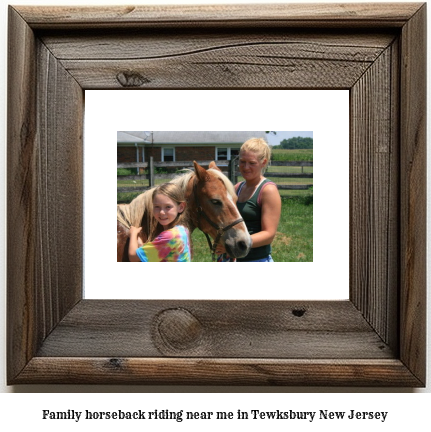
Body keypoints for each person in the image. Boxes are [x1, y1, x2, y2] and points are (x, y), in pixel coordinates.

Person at [217, 138, 281, 262]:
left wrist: (234, 244)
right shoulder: (238, 187)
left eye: (252, 163)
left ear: (263, 162)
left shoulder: (268, 190)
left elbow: (269, 235)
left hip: (256, 259)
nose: (246, 167)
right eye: (242, 161)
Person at [128, 183, 191, 262]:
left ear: (181, 207)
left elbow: (134, 258)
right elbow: (163, 249)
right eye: (157, 206)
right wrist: (141, 245)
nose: (161, 212)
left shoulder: (169, 236)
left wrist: (133, 234)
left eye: (168, 207)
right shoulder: (182, 229)